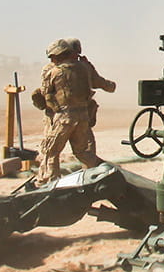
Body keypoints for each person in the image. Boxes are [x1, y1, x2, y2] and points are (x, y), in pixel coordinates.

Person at [32, 38, 116, 183]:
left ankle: (47, 183)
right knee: (85, 153)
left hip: (61, 117)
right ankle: (102, 177)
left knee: (50, 151)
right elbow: (104, 84)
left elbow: (44, 96)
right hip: (81, 117)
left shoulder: (52, 70)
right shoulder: (84, 67)